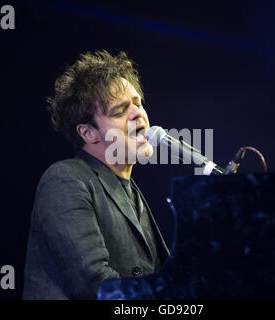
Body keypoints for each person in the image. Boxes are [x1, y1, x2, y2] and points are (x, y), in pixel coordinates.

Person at [22, 50, 170, 299]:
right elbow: (94, 284)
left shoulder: (131, 191)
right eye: (119, 111)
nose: (137, 113)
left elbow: (161, 278)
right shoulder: (65, 179)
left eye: (138, 102)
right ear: (88, 133)